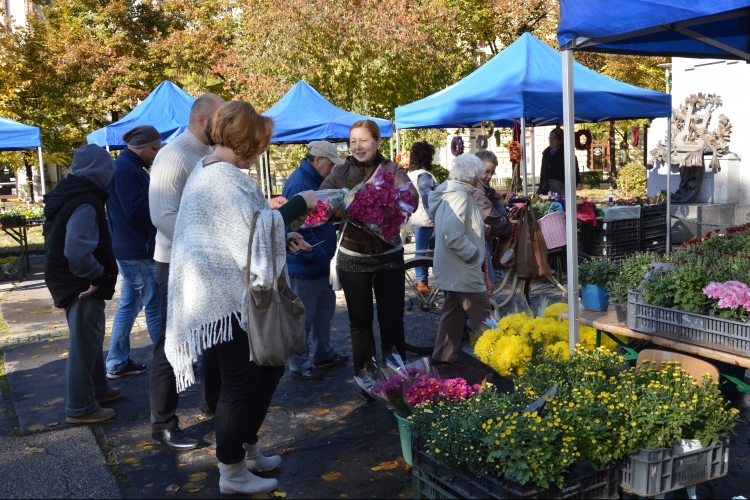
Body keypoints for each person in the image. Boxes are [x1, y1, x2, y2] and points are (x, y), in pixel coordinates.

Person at [164, 100, 316, 495]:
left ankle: (247, 449)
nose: (261, 151)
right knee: (239, 384)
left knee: (268, 370)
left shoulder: (217, 172)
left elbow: (247, 230)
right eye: (260, 143)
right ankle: (230, 471)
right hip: (224, 301)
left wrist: (283, 235)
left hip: (230, 295)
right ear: (246, 140)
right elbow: (250, 235)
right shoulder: (220, 179)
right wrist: (303, 205)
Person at [319, 120, 418, 401]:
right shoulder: (340, 171)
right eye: (353, 141)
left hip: (388, 256)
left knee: (392, 322)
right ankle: (367, 383)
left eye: (363, 140)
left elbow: (411, 198)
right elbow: (323, 205)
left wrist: (383, 204)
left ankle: (397, 381)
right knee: (359, 324)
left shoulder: (392, 170)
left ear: (376, 142)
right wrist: (345, 207)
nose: (358, 147)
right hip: (353, 257)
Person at [148, 93, 225, 450]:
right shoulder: (174, 155)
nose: (224, 126)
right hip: (174, 263)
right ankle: (162, 424)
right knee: (172, 342)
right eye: (219, 119)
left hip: (202, 259)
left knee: (213, 331)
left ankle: (213, 403)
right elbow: (163, 216)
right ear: (201, 120)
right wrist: (212, 240)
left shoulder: (205, 154)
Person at [43, 144, 121, 424]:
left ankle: (98, 389)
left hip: (67, 277)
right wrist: (95, 275)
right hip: (79, 281)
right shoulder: (85, 201)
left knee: (89, 336)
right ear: (100, 172)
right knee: (84, 342)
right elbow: (76, 249)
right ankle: (80, 407)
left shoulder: (70, 193)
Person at [283, 141, 349, 380]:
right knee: (303, 317)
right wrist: (319, 256)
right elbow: (297, 226)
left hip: (317, 261)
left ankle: (323, 353)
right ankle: (300, 364)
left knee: (323, 311)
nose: (332, 169)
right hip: (307, 263)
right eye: (331, 164)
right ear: (318, 159)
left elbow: (319, 218)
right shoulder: (301, 182)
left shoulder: (311, 179)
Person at [105, 125, 162, 379]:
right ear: (139, 147)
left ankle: (116, 362)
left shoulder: (127, 167)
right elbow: (134, 209)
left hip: (129, 248)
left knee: (129, 305)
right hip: (137, 250)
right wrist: (163, 208)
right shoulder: (127, 169)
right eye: (154, 148)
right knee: (154, 305)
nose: (157, 153)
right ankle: (167, 361)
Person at [428, 154, 493, 363]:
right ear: (472, 175)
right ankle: (507, 362)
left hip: (454, 269)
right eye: (479, 174)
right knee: (486, 318)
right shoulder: (460, 195)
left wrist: (477, 230)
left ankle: (442, 360)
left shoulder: (453, 192)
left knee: (453, 316)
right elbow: (453, 235)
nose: (481, 178)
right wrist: (473, 254)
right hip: (462, 269)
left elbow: (454, 226)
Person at [406, 141, 438, 294]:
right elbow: (428, 200)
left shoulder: (412, 174)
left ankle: (422, 282)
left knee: (422, 251)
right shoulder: (424, 176)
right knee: (423, 252)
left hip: (415, 217)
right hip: (424, 219)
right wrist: (435, 219)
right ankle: (422, 283)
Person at [474, 150, 513, 240]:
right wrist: (509, 230)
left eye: (492, 173)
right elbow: (490, 217)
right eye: (486, 171)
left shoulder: (486, 188)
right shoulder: (475, 188)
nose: (490, 176)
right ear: (476, 168)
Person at [537, 127, 580, 196]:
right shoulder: (546, 153)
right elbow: (543, 172)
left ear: (560, 139)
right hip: (546, 191)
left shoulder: (567, 154)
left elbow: (575, 175)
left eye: (553, 139)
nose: (550, 141)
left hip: (561, 192)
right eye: (549, 138)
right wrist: (540, 188)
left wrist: (565, 192)